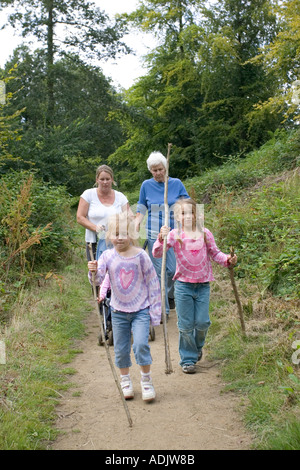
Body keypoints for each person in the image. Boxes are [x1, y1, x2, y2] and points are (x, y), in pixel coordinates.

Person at [152, 198, 237, 374]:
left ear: (196, 214)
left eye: (190, 212)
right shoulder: (174, 235)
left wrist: (228, 260)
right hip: (183, 286)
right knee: (185, 325)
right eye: (183, 213)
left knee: (203, 322)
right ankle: (188, 359)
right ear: (177, 217)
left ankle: (197, 348)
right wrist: (161, 238)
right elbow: (157, 253)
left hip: (203, 285)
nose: (187, 216)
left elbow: (215, 253)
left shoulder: (205, 233)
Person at [88, 212, 161, 401]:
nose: (120, 238)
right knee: (120, 348)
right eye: (116, 233)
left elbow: (153, 283)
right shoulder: (106, 256)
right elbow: (98, 281)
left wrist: (155, 313)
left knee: (141, 345)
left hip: (140, 310)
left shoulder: (141, 256)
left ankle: (146, 380)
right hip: (118, 311)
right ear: (109, 235)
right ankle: (125, 379)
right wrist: (93, 272)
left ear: (132, 235)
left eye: (124, 233)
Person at [136, 151, 189, 317]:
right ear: (150, 171)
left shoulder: (176, 183)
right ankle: (162, 310)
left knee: (172, 270)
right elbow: (142, 205)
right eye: (154, 170)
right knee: (160, 271)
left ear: (165, 168)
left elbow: (187, 203)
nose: (158, 173)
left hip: (174, 233)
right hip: (154, 233)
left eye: (160, 169)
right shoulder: (146, 185)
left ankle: (169, 295)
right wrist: (137, 221)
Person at [77, 164, 130, 261]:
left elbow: (129, 218)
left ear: (112, 179)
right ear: (97, 179)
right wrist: (95, 227)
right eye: (102, 179)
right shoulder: (88, 194)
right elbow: (80, 217)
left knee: (116, 271)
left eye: (107, 179)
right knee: (96, 272)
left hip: (116, 241)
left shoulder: (120, 197)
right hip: (94, 241)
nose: (105, 182)